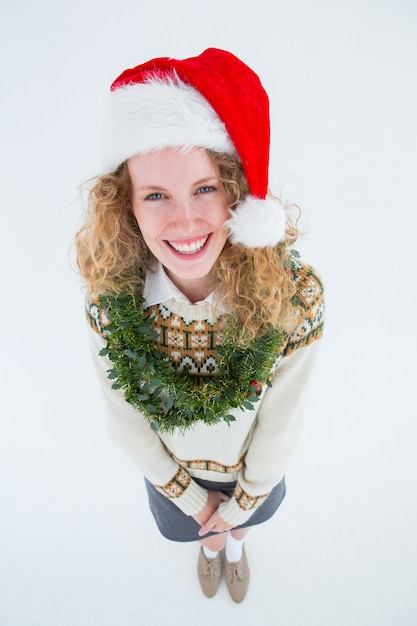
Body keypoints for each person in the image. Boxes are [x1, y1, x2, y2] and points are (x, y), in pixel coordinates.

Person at [75, 48, 324, 603]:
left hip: (254, 468)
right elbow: (124, 419)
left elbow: (281, 423)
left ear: (236, 191)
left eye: (205, 188)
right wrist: (193, 502)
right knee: (206, 529)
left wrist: (242, 500)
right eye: (157, 195)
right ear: (127, 206)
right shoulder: (110, 302)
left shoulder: (294, 297)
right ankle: (210, 548)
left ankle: (233, 545)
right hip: (171, 473)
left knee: (239, 523)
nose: (184, 222)